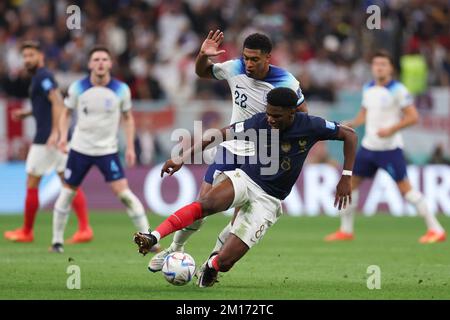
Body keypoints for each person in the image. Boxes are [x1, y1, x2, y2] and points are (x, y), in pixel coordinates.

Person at [134, 87, 357, 287]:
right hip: (246, 179)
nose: (270, 119)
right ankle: (153, 236)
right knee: (206, 203)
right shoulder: (259, 121)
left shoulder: (311, 125)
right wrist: (182, 157)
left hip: (269, 199)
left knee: (226, 261)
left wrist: (346, 176)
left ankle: (212, 265)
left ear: (292, 113)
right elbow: (220, 134)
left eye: (276, 115)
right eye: (268, 113)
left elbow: (350, 135)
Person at [149, 30, 308, 271]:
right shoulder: (235, 68)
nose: (249, 63)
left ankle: (211, 262)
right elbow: (202, 72)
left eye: (255, 59)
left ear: (268, 58)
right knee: (203, 204)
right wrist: (203, 55)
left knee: (239, 219)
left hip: (262, 157)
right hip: (233, 147)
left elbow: (302, 117)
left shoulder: (286, 81)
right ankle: (174, 250)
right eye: (246, 57)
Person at [324, 50, 446, 243]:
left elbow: (413, 117)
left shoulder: (398, 90)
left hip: (390, 149)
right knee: (351, 185)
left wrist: (391, 129)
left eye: (383, 64)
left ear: (391, 69)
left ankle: (436, 229)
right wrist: (353, 123)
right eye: (376, 64)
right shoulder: (368, 88)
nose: (379, 67)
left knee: (406, 190)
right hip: (368, 148)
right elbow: (365, 114)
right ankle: (346, 231)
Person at [49, 45, 154, 253]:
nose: (100, 63)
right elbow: (66, 113)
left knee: (124, 195)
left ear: (110, 64)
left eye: (104, 59)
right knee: (68, 193)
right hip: (79, 149)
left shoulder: (121, 90)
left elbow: (128, 118)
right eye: (96, 59)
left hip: (107, 151)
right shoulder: (77, 87)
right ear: (89, 64)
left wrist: (131, 147)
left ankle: (150, 240)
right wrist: (63, 138)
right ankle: (57, 242)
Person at [4, 41, 92, 244]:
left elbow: (57, 102)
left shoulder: (43, 76)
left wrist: (54, 133)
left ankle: (27, 231)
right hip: (54, 138)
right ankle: (85, 229)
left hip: (46, 140)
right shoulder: (38, 78)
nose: (27, 59)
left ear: (40, 56)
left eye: (30, 55)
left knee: (33, 181)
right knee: (69, 183)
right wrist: (27, 113)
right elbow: (45, 105)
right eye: (24, 56)